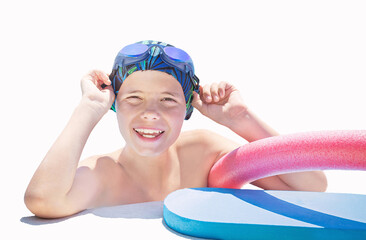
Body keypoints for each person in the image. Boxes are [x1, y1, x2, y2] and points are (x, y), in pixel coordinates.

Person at [24, 40, 327, 219]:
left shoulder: (204, 152)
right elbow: (42, 200)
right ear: (115, 105)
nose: (151, 114)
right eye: (134, 98)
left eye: (168, 100)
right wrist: (89, 107)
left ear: (188, 108)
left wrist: (240, 119)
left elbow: (311, 185)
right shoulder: (103, 173)